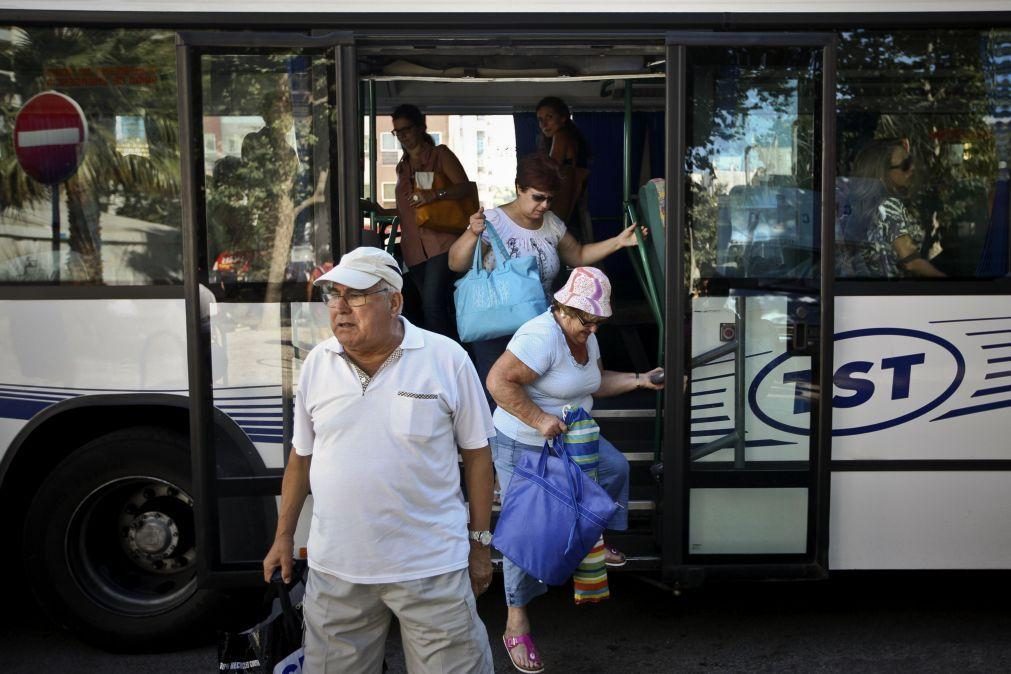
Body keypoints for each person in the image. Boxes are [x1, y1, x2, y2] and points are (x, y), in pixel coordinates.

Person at [262, 246, 496, 673]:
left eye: (356, 296)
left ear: (394, 302)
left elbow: (479, 458)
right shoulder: (317, 363)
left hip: (431, 569)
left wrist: (480, 547)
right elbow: (300, 458)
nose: (341, 309)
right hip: (337, 572)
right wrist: (283, 538)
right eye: (334, 296)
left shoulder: (447, 359)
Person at [486, 266, 664, 674]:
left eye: (599, 321)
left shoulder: (583, 337)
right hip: (526, 444)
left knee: (615, 467)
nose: (593, 328)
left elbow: (593, 383)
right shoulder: (540, 337)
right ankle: (516, 623)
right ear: (563, 308)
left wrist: (640, 380)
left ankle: (591, 539)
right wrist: (538, 419)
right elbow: (498, 382)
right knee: (525, 536)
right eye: (587, 320)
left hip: (572, 438)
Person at [448, 152, 645, 405]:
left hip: (541, 324)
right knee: (498, 397)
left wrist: (619, 242)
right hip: (496, 323)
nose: (544, 206)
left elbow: (579, 255)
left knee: (542, 396)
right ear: (519, 188)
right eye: (538, 197)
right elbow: (456, 263)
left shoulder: (550, 223)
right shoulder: (494, 220)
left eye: (550, 199)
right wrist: (472, 235)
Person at [368, 104, 473, 338]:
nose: (402, 136)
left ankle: (447, 360)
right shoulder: (402, 167)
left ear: (421, 127)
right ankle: (444, 353)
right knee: (424, 307)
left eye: (406, 129)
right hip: (414, 250)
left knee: (434, 306)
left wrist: (435, 194)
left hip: (442, 243)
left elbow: (466, 188)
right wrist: (377, 209)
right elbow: (410, 211)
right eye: (397, 132)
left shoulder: (440, 155)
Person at [838, 138, 945, 278]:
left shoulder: (865, 208)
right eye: (905, 165)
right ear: (883, 173)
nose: (912, 168)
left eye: (911, 160)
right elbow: (911, 262)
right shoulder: (889, 206)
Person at [535, 96, 590, 235]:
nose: (544, 124)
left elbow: (550, 171)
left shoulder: (561, 135)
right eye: (540, 119)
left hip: (564, 211)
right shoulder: (571, 137)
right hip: (574, 208)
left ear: (563, 118)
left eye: (549, 117)